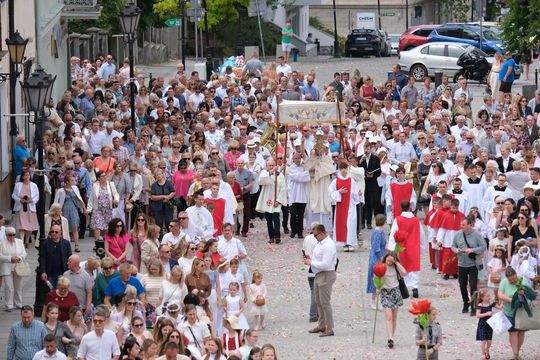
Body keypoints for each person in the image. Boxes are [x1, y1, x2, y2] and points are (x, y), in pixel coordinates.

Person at [304, 224, 337, 337]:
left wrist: (311, 262)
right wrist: (311, 258)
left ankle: (329, 327)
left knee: (325, 302)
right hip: (318, 273)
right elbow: (318, 258)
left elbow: (326, 263)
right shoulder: (320, 243)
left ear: (322, 233)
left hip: (326, 274)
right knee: (318, 300)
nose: (314, 237)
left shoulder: (328, 245)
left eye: (316, 235)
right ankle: (321, 324)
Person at [498, 266, 536, 360]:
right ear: (507, 278)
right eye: (510, 280)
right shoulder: (504, 282)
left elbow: (531, 295)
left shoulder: (522, 281)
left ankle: (517, 352)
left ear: (516, 275)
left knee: (521, 332)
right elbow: (500, 294)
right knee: (512, 332)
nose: (513, 281)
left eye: (514, 279)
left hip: (522, 312)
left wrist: (524, 293)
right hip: (509, 312)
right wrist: (511, 300)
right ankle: (515, 354)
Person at [388, 200, 424, 298]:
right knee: (414, 267)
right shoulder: (416, 220)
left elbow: (393, 234)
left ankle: (403, 287)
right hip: (414, 246)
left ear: (401, 208)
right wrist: (422, 247)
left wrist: (392, 248)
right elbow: (421, 234)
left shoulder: (398, 219)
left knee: (403, 266)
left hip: (401, 246)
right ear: (410, 208)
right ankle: (415, 287)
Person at [451, 217, 487, 316]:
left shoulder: (476, 234)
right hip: (461, 264)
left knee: (473, 285)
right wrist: (456, 250)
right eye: (461, 224)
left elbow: (483, 246)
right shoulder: (458, 234)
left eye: (463, 224)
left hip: (472, 264)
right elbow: (453, 245)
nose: (461, 226)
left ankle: (474, 306)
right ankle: (465, 303)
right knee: (462, 285)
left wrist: (472, 250)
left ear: (469, 225)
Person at [329, 163, 362, 251]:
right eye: (342, 169)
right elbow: (330, 193)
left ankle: (350, 243)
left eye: (345, 168)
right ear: (339, 170)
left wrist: (358, 194)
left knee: (350, 225)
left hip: (350, 206)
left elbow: (355, 194)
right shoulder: (335, 181)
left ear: (347, 169)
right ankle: (344, 243)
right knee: (342, 224)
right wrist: (339, 191)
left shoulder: (352, 181)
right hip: (340, 206)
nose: (344, 170)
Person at [378, 251, 407, 349]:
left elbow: (404, 273)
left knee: (394, 317)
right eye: (388, 260)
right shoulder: (381, 266)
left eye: (391, 261)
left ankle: (392, 337)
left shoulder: (395, 266)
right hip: (385, 292)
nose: (389, 262)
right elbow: (377, 278)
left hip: (395, 291)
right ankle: (390, 338)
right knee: (389, 317)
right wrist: (378, 287)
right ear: (385, 258)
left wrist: (396, 262)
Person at [256, 159, 287, 244]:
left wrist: (278, 200)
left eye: (273, 165)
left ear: (275, 165)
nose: (271, 167)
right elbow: (261, 181)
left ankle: (277, 236)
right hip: (267, 200)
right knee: (269, 220)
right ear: (267, 166)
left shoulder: (280, 176)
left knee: (276, 218)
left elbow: (283, 189)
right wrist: (271, 172)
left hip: (276, 200)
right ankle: (271, 236)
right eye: (269, 165)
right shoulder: (264, 173)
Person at [0, 226, 28, 311]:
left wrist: (19, 258)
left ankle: (18, 303)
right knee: (9, 287)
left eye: (13, 235)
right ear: (6, 235)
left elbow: (24, 253)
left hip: (18, 267)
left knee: (18, 286)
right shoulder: (1, 243)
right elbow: (0, 255)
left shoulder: (19, 242)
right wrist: (9, 258)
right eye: (10, 235)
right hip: (6, 267)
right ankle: (9, 305)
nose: (12, 237)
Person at [12, 170, 39, 247]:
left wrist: (32, 200)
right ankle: (21, 242)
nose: (27, 177)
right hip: (20, 207)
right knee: (21, 225)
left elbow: (37, 196)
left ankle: (26, 241)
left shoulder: (34, 185)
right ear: (22, 177)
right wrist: (19, 200)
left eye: (28, 175)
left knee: (29, 225)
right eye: (25, 175)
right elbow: (13, 195)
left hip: (30, 208)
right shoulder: (18, 185)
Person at [39, 224, 72, 289]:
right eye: (52, 231)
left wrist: (69, 272)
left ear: (60, 234)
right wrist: (43, 271)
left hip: (62, 274)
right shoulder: (46, 243)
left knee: (61, 291)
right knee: (51, 293)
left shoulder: (66, 243)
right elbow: (42, 258)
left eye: (56, 232)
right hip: (50, 274)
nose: (54, 233)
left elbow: (69, 258)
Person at [367, 214, 387, 309]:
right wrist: (381, 257)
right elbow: (376, 248)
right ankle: (373, 301)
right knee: (377, 280)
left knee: (379, 280)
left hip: (378, 257)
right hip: (377, 259)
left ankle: (377, 301)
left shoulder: (379, 232)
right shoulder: (378, 233)